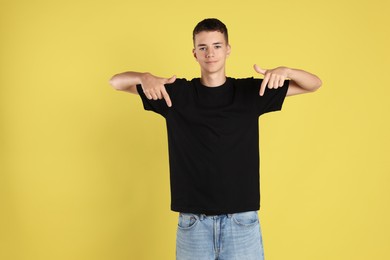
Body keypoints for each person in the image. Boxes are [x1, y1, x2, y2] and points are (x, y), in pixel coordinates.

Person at [109, 18, 322, 260]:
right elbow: (116, 82)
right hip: (193, 224)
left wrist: (287, 71)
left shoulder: (251, 92)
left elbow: (313, 84)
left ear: (228, 49)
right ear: (195, 54)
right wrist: (144, 76)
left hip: (241, 222)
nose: (210, 53)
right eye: (203, 47)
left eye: (217, 46)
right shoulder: (176, 94)